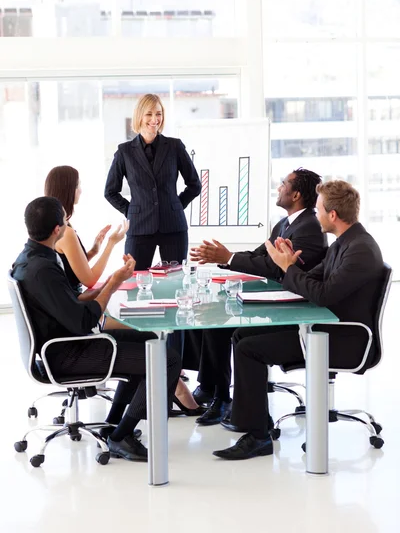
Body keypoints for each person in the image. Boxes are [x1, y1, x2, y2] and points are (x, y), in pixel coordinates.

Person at [213, 180, 384, 460]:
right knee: (241, 336)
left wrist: (289, 268)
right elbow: (314, 278)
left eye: (317, 210)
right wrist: (290, 264)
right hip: (324, 327)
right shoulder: (346, 241)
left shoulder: (359, 249)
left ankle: (257, 438)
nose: (314, 215)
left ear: (332, 215)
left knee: (248, 349)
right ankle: (254, 420)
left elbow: (323, 295)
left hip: (340, 338)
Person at [12, 197, 181, 462]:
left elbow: (69, 302)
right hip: (67, 354)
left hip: (63, 344)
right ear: (57, 230)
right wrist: (113, 282)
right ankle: (120, 436)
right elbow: (84, 321)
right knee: (166, 359)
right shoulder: (43, 268)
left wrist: (111, 281)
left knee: (148, 339)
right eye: (66, 224)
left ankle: (112, 423)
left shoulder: (30, 259)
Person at [189, 168, 327, 425]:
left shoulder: (309, 227)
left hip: (293, 307)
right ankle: (213, 389)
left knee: (217, 320)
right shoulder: (287, 223)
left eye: (284, 184)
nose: (279, 187)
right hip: (276, 297)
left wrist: (228, 258)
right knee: (209, 313)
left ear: (295, 194)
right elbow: (260, 255)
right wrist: (226, 258)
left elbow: (277, 268)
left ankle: (219, 396)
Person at [104, 93, 201, 270]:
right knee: (134, 280)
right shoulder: (124, 151)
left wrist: (176, 205)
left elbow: (195, 185)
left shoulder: (174, 147)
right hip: (139, 228)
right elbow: (110, 191)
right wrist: (131, 211)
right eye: (149, 114)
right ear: (139, 116)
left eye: (158, 113)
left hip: (173, 227)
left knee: (175, 282)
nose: (155, 119)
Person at [45, 165, 128, 293]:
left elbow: (70, 267)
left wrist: (93, 251)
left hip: (66, 299)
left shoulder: (57, 224)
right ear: (68, 190)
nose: (80, 190)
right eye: (78, 186)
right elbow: (89, 280)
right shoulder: (65, 232)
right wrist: (111, 243)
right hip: (73, 302)